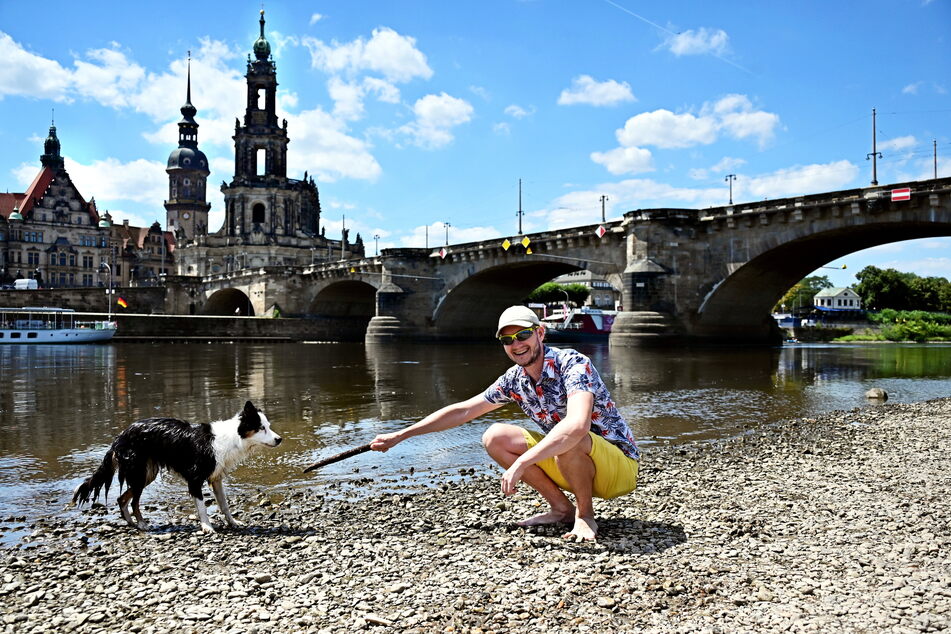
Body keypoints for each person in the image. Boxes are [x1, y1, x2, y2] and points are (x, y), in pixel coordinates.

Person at [370, 305, 640, 541]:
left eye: (523, 335)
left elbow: (578, 426)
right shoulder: (514, 380)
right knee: (495, 436)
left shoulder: (572, 363)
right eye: (507, 339)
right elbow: (462, 411)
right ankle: (562, 510)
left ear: (540, 333)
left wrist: (522, 463)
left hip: (617, 470)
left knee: (569, 435)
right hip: (570, 464)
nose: (516, 344)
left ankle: (585, 515)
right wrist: (400, 435)